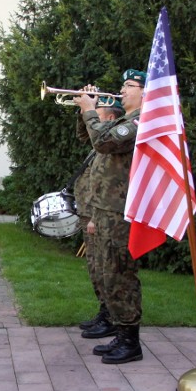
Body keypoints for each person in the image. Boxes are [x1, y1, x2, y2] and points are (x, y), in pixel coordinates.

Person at [73, 69, 146, 364]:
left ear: (144, 92)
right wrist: (85, 110)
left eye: (129, 86)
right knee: (107, 272)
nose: (122, 90)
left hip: (119, 211)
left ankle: (130, 341)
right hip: (105, 209)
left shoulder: (139, 123)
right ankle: (119, 329)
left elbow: (103, 142)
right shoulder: (121, 122)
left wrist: (91, 109)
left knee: (120, 273)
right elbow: (90, 137)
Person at [75, 102, 122, 340]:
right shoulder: (99, 141)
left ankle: (114, 319)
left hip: (100, 215)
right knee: (95, 269)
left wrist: (94, 216)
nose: (91, 118)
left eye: (97, 114)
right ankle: (105, 312)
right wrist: (83, 109)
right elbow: (84, 133)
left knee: (105, 270)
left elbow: (103, 184)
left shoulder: (112, 141)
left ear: (110, 117)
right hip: (90, 213)